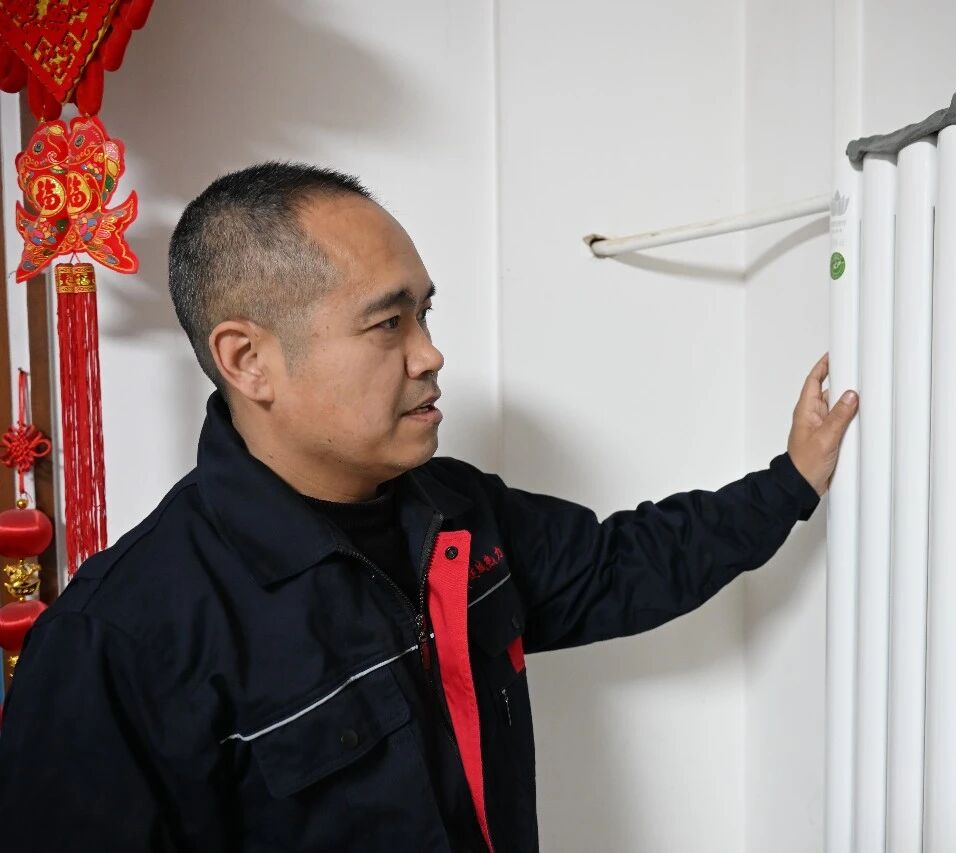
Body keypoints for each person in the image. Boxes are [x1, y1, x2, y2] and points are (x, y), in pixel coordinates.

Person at [0, 163, 859, 852]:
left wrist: (790, 481)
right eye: (388, 324)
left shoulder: (455, 512)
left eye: (425, 312)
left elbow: (624, 563)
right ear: (249, 360)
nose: (431, 353)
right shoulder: (120, 640)